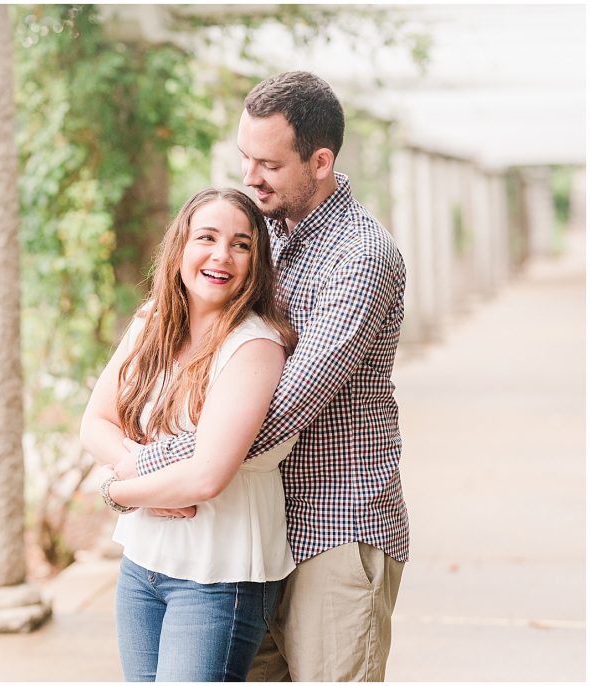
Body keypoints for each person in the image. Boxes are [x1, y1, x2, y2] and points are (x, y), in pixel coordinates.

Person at [115, 71, 410, 681]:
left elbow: (276, 412)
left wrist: (142, 471)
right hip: (251, 537)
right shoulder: (260, 235)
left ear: (321, 161)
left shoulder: (362, 257)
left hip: (335, 526)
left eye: (268, 164)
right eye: (245, 157)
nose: (250, 177)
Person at [80, 186, 299, 682]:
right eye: (208, 237)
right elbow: (95, 423)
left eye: (241, 244)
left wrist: (118, 491)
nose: (222, 255)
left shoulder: (255, 345)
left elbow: (206, 477)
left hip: (217, 576)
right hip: (142, 564)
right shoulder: (150, 323)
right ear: (180, 246)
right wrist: (146, 495)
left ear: (255, 262)